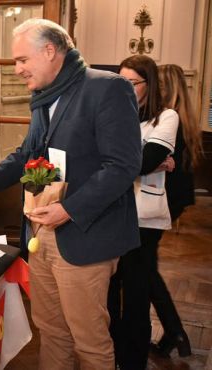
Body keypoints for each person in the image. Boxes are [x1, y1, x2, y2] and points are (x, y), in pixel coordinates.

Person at [0, 19, 141, 369]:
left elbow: (122, 166)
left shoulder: (108, 88)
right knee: (51, 330)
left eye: (22, 60)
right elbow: (29, 153)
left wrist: (69, 210)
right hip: (42, 234)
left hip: (86, 237)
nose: (17, 70)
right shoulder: (44, 95)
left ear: (49, 51)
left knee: (89, 341)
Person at [108, 55, 180, 370]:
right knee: (109, 286)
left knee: (137, 291)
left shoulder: (167, 117)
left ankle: (133, 359)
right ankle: (110, 352)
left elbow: (145, 161)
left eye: (132, 83)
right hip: (111, 214)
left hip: (144, 219)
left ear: (148, 84)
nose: (125, 88)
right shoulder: (114, 115)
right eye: (120, 82)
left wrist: (125, 162)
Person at [147, 64, 203, 358]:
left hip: (164, 196)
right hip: (176, 196)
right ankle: (173, 331)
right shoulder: (185, 116)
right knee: (147, 266)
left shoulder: (169, 119)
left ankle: (174, 330)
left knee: (145, 268)